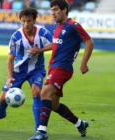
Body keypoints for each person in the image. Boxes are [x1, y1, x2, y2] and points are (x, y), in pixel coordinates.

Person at [28, 0, 94, 139]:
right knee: (53, 104)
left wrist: (84, 62)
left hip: (62, 67)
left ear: (65, 10)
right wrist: (40, 50)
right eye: (52, 10)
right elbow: (55, 44)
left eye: (56, 9)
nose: (53, 13)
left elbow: (89, 41)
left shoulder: (73, 26)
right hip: (54, 67)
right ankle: (80, 124)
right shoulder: (58, 26)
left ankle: (42, 131)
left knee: (44, 93)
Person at [0, 8, 53, 131]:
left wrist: (40, 50)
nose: (26, 24)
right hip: (18, 71)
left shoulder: (43, 33)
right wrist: (10, 77)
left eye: (28, 21)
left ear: (34, 20)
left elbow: (55, 44)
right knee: (2, 99)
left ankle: (39, 128)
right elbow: (10, 59)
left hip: (36, 70)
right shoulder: (16, 36)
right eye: (23, 21)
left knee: (36, 92)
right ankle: (1, 114)